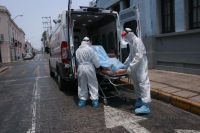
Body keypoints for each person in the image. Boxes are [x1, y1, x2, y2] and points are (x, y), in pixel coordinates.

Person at [121, 28, 151, 114]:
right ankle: (140, 99)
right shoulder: (131, 42)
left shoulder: (137, 41)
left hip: (141, 63)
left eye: (125, 36)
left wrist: (130, 65)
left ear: (129, 34)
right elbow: (131, 56)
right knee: (136, 82)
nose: (125, 38)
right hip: (135, 62)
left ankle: (146, 105)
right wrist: (125, 64)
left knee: (143, 81)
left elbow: (139, 55)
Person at [76, 37, 100, 108]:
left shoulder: (77, 50)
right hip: (89, 67)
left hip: (80, 67)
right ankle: (94, 100)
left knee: (82, 84)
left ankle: (82, 100)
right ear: (88, 42)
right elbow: (95, 59)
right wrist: (98, 66)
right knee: (92, 83)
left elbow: (77, 60)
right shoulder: (90, 49)